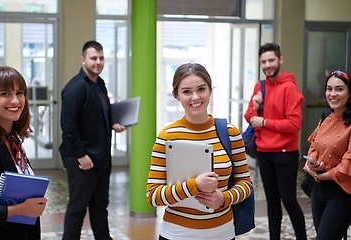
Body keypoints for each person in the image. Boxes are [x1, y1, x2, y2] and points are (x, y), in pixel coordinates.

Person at [146, 63, 253, 240]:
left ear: (210, 90)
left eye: (201, 89)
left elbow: (245, 184)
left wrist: (223, 198)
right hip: (177, 234)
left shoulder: (230, 133)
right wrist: (194, 186)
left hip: (223, 233)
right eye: (186, 91)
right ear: (177, 95)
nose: (195, 97)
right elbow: (153, 195)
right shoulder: (167, 137)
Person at [59, 40, 126, 240]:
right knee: (77, 208)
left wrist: (114, 123)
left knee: (99, 206)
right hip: (82, 159)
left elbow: (98, 116)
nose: (98, 62)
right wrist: (81, 155)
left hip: (101, 157)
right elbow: (68, 125)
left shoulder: (100, 84)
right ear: (83, 60)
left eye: (101, 58)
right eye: (93, 58)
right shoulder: (75, 87)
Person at [244, 43, 307, 240]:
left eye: (271, 60)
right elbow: (249, 117)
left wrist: (264, 122)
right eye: (264, 61)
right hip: (264, 152)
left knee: (289, 200)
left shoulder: (290, 88)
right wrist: (255, 106)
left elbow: (294, 125)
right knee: (272, 201)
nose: (267, 65)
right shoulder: (259, 86)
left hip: (285, 153)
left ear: (280, 60)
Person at [0, 66, 48, 239]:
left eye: (19, 93)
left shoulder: (12, 140)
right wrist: (20, 209)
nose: (15, 100)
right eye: (5, 93)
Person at [304, 70, 351, 240]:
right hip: (318, 191)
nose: (333, 94)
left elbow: (347, 164)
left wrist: (318, 175)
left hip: (341, 193)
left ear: (349, 92)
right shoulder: (326, 115)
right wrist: (312, 164)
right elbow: (314, 146)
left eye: (339, 89)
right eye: (329, 89)